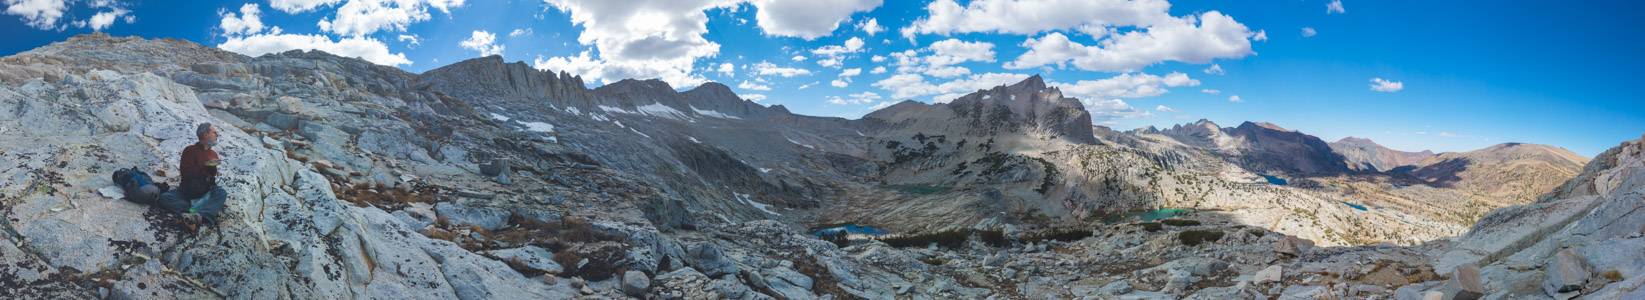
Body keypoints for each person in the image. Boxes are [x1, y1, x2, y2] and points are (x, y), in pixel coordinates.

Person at [156, 123, 228, 230]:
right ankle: (201, 211)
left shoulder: (213, 154)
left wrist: (212, 166)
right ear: (205, 135)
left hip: (205, 193)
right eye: (214, 132)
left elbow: (212, 175)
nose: (217, 135)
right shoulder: (189, 150)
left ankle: (196, 212)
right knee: (163, 198)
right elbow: (186, 173)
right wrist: (205, 164)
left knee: (221, 192)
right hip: (187, 192)